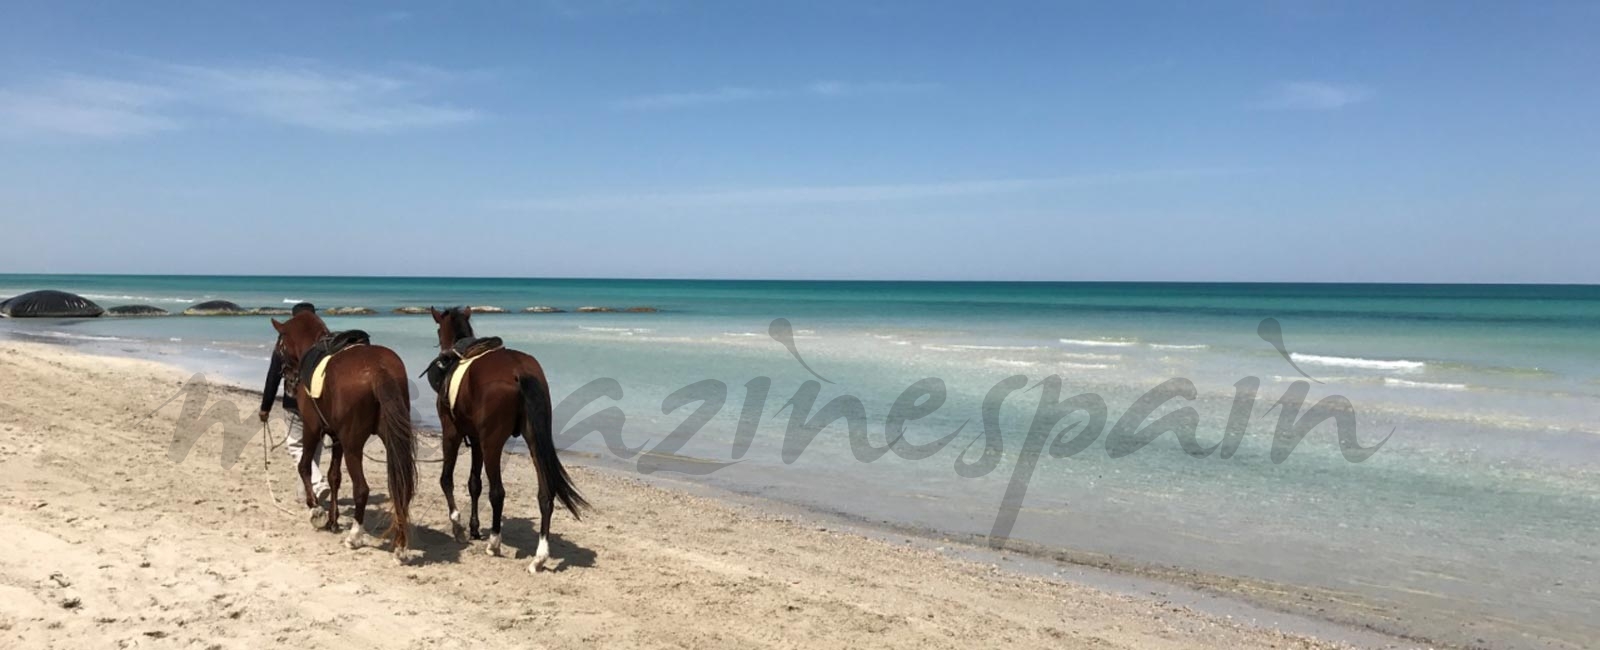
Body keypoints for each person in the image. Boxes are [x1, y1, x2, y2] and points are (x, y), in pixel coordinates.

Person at [259, 302, 329, 502]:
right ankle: (304, 493)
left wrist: (265, 408)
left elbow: (273, 376)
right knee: (314, 448)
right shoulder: (323, 343)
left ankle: (317, 483)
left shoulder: (285, 344)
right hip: (319, 405)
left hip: (293, 403)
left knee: (296, 446)